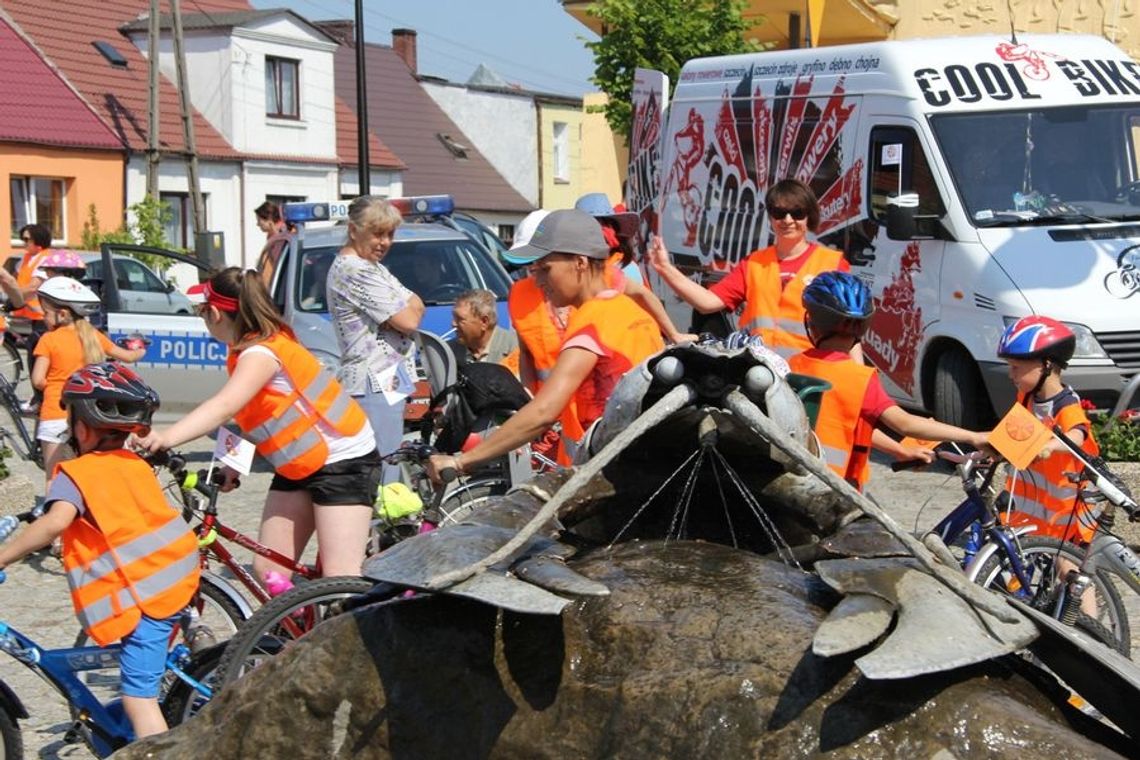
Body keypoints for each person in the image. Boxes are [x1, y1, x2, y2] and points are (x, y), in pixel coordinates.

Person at [135, 267, 380, 582]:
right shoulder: (246, 351)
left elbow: (224, 407)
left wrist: (165, 438)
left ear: (214, 313)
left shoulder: (262, 353)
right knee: (269, 571)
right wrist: (231, 468)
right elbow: (254, 417)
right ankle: (297, 627)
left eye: (201, 312)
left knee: (339, 578)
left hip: (345, 463)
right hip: (301, 464)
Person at [0, 362, 199, 738]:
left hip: (151, 597)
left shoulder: (78, 474)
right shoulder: (131, 463)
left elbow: (55, 522)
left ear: (82, 426)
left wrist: (3, 556)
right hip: (171, 579)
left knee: (140, 699)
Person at [429, 209, 664, 477]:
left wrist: (461, 462)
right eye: (534, 270)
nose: (538, 282)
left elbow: (544, 411)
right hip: (640, 464)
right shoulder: (629, 312)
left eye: (545, 269)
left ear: (580, 263)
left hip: (608, 473)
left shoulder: (591, 323)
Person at [788, 271, 987, 490]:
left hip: (799, 480)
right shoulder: (860, 379)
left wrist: (899, 451)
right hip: (839, 489)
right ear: (862, 327)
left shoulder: (794, 365)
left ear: (812, 323)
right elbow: (905, 424)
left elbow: (845, 424)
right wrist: (973, 436)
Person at [648, 178, 860, 361]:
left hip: (810, 375)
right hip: (762, 375)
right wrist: (665, 268)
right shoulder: (754, 263)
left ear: (809, 216)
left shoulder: (832, 264)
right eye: (779, 213)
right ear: (770, 217)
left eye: (797, 213)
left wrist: (858, 380)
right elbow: (708, 303)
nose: (787, 220)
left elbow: (849, 329)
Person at [325, 196, 425, 484]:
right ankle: (375, 527)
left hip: (387, 376)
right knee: (383, 471)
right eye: (377, 233)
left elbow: (417, 304)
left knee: (389, 464)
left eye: (390, 234)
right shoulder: (354, 269)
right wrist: (402, 310)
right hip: (372, 378)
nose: (385, 242)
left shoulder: (374, 268)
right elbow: (410, 319)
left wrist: (403, 310)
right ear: (354, 230)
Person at [995, 316, 1101, 544]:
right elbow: (1010, 437)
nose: (1010, 374)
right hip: (1032, 508)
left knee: (1067, 569)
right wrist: (977, 452)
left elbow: (1077, 435)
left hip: (1067, 512)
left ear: (1047, 365)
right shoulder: (1026, 398)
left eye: (1016, 367)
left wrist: (1049, 446)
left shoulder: (1066, 405)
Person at [33, 277, 145, 484]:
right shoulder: (93, 335)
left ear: (63, 314)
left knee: (54, 478)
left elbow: (38, 380)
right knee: (88, 475)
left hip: (55, 414)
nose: (43, 318)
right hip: (87, 417)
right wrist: (141, 349)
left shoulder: (48, 340)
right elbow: (128, 357)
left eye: (45, 313)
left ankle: (56, 514)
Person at [13, 224, 53, 377]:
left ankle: (40, 394)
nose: (24, 243)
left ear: (38, 240)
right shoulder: (27, 258)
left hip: (43, 314)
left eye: (26, 239)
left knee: (39, 356)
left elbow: (33, 287)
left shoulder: (45, 259)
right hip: (31, 313)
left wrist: (12, 297)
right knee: (33, 353)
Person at [449, 289, 519, 374]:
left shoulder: (516, 349)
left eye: (460, 319)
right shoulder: (449, 352)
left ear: (484, 322)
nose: (453, 324)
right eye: (454, 318)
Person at [254, 201, 290, 288]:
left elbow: (279, 259)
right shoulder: (274, 236)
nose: (257, 224)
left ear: (269, 219)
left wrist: (276, 234)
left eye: (259, 220)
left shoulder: (284, 235)